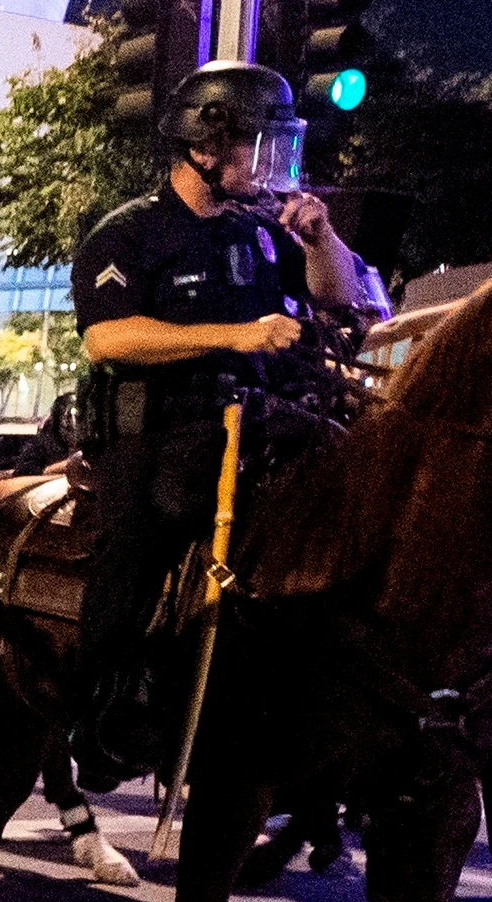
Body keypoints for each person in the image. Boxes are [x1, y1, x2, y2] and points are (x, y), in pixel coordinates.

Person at [65, 60, 378, 755]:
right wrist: (235, 334)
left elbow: (338, 295)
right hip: (159, 434)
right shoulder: (128, 233)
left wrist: (323, 237)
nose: (274, 164)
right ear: (205, 147)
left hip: (257, 425)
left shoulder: (264, 232)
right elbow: (107, 338)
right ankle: (105, 703)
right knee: (145, 537)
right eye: (258, 145)